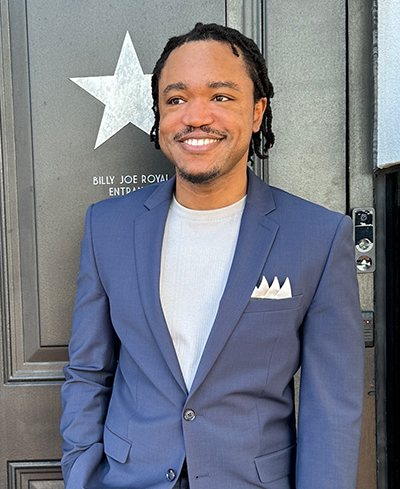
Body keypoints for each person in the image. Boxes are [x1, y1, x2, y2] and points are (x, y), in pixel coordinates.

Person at [60, 22, 364, 489]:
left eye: (221, 97)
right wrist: (81, 475)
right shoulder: (108, 226)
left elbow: (333, 407)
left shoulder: (319, 237)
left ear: (258, 111)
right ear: (159, 115)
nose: (195, 117)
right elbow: (88, 371)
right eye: (176, 99)